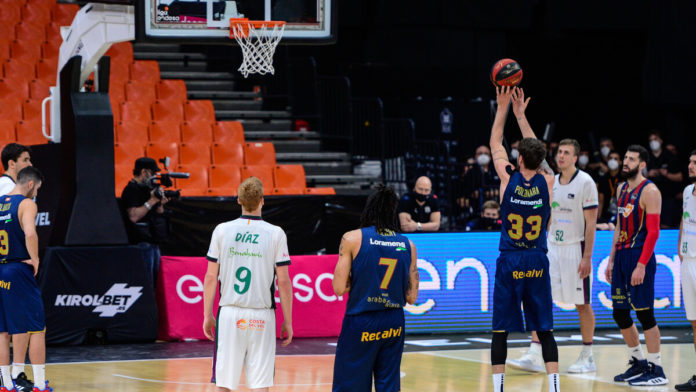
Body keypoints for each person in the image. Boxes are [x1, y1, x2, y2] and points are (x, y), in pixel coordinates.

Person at [489, 86, 559, 392]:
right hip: (537, 258)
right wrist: (522, 114)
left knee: (500, 330)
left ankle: (499, 388)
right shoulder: (548, 181)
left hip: (511, 259)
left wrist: (503, 108)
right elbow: (537, 151)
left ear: (518, 160)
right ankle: (555, 387)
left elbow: (494, 143)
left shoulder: (508, 177)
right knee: (545, 329)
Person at [508, 139, 599, 374]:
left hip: (575, 248)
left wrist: (587, 256)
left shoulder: (586, 182)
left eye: (567, 153)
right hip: (552, 247)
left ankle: (588, 356)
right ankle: (534, 353)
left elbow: (591, 224)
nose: (561, 156)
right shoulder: (552, 181)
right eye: (559, 152)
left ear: (575, 158)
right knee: (540, 298)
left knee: (582, 304)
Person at [202, 177, 293, 392]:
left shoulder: (222, 230)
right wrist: (288, 321)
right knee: (260, 385)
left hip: (230, 313)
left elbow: (210, 277)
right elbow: (283, 281)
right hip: (262, 315)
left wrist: (207, 315)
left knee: (223, 384)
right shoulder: (276, 233)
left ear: (238, 200)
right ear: (263, 200)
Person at [332, 185, 419, 392]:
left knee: (350, 383)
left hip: (362, 319)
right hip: (393, 320)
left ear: (369, 209)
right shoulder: (408, 245)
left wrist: (361, 279)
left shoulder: (352, 238)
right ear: (393, 212)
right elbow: (412, 297)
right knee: (388, 384)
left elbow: (338, 287)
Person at [605, 145, 667, 386]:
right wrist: (611, 259)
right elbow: (620, 226)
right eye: (625, 157)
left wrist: (641, 265)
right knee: (620, 313)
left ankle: (657, 368)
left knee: (645, 313)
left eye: (631, 159)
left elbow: (653, 233)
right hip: (621, 256)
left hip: (639, 256)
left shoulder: (650, 191)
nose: (625, 162)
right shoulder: (620, 188)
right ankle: (638, 362)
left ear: (642, 164)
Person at [0, 167, 51, 392]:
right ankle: (40, 385)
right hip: (18, 269)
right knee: (37, 328)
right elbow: (30, 233)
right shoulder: (27, 203)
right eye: (37, 189)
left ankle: (6, 384)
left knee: (2, 331)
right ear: (31, 184)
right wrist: (35, 259)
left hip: (1, 269)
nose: (36, 193)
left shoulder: (0, 201)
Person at [0, 143, 33, 392]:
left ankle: (6, 377)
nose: (29, 164)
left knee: (4, 328)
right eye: (25, 159)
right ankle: (17, 374)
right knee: (20, 325)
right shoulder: (9, 189)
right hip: (13, 262)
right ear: (12, 163)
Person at [676, 150, 696, 391]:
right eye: (690, 161)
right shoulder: (687, 191)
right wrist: (680, 245)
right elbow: (684, 217)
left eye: (695, 163)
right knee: (694, 323)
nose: (690, 166)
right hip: (688, 260)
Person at [120, 157, 170, 244]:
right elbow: (133, 217)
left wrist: (160, 204)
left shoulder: (148, 189)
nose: (154, 176)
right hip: (139, 241)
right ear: (143, 172)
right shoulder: (131, 189)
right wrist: (152, 200)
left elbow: (159, 213)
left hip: (152, 239)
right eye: (152, 173)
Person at [646, 131, 683, 228]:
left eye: (655, 139)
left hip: (668, 197)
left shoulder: (670, 156)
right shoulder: (646, 158)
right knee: (651, 225)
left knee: (666, 225)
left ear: (661, 141)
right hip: (650, 198)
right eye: (650, 140)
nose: (653, 142)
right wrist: (648, 174)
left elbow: (679, 177)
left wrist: (667, 174)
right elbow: (637, 178)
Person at [598, 151, 622, 223]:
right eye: (611, 158)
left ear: (620, 162)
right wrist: (598, 218)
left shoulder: (625, 178)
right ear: (607, 160)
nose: (613, 161)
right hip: (606, 215)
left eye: (615, 159)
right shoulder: (603, 179)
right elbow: (600, 200)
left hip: (621, 215)